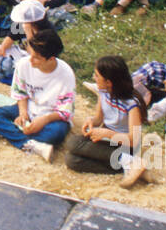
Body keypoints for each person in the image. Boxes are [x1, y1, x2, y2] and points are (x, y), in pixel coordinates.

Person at [0, 29, 75, 161]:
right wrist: (23, 113)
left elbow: (66, 111)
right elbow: (20, 93)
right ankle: (31, 144)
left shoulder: (65, 73)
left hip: (51, 116)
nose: (31, 60)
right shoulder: (23, 64)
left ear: (51, 59)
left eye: (36, 57)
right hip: (30, 109)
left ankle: (4, 131)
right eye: (30, 54)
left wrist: (44, 120)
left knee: (55, 134)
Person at [63, 55, 151, 187]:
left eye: (97, 76)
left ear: (109, 82)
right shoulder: (103, 92)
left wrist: (107, 134)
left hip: (125, 144)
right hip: (107, 141)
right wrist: (91, 121)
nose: (94, 78)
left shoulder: (132, 104)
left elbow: (135, 140)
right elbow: (99, 118)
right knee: (71, 160)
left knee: (73, 143)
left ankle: (128, 161)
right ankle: (130, 165)